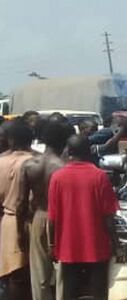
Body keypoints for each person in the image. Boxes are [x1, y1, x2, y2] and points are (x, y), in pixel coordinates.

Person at [48, 136, 126, 300]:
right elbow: (108, 217)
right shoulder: (100, 177)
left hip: (67, 246)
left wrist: (52, 245)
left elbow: (53, 217)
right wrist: (117, 245)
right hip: (96, 246)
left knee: (70, 291)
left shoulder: (57, 178)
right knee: (99, 291)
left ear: (68, 151)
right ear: (89, 151)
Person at [17, 121, 73, 300]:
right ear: (64, 142)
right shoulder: (64, 168)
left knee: (39, 275)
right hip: (61, 220)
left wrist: (20, 231)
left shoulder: (29, 165)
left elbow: (21, 202)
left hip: (38, 217)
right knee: (62, 273)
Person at [0, 121, 36, 300]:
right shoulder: (39, 161)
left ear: (10, 140)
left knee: (13, 274)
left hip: (10, 219)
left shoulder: (1, 162)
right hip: (36, 220)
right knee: (31, 274)